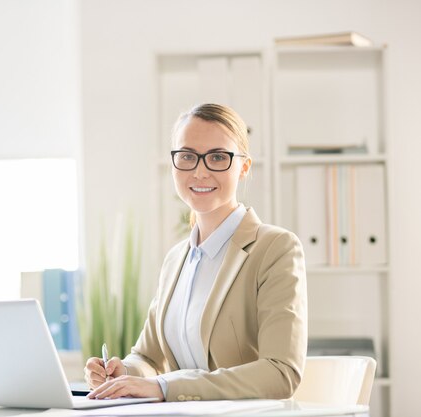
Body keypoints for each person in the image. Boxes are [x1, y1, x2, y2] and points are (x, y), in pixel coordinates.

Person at [84, 103, 307, 402]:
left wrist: (166, 388)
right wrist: (121, 372)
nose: (200, 171)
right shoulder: (177, 259)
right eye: (187, 156)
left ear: (243, 167)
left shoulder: (275, 248)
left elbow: (281, 373)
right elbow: (149, 358)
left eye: (217, 157)